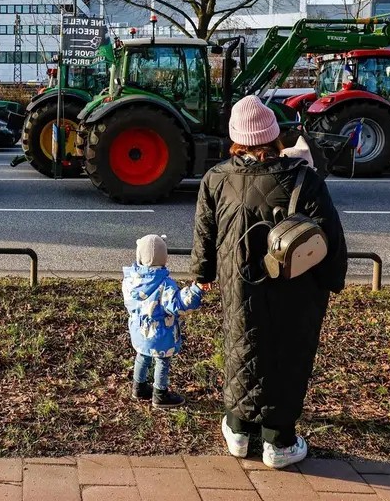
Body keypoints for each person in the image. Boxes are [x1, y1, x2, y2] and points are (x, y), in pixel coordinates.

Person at [191, 95, 347, 469]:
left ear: (236, 138)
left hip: (238, 282)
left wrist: (203, 274)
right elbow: (330, 237)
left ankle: (239, 430)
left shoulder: (217, 178)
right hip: (296, 285)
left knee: (242, 346)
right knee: (289, 352)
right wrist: (332, 281)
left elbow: (204, 233)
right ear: (275, 136)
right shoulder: (303, 178)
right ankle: (279, 441)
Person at [123, 234, 205, 409]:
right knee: (162, 361)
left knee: (142, 355)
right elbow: (179, 305)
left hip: (138, 330)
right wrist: (196, 290)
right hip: (160, 333)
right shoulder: (165, 284)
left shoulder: (131, 279)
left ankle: (138, 387)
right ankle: (160, 394)